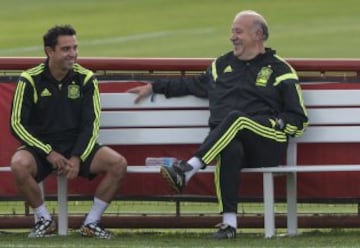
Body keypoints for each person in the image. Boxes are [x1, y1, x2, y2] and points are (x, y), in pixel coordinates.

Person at [128, 10, 308, 239]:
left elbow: (299, 119)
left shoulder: (280, 69)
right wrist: (155, 87)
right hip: (228, 142)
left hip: (267, 143)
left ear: (258, 35)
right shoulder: (221, 65)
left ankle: (187, 168)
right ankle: (229, 225)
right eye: (232, 31)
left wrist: (277, 124)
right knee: (229, 146)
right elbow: (191, 85)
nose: (232, 37)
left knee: (236, 118)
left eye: (238, 32)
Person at [9, 25, 127, 239]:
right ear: (49, 52)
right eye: (65, 49)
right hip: (42, 148)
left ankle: (91, 223)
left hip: (76, 146)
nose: (72, 54)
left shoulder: (86, 78)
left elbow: (91, 125)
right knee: (18, 164)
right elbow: (16, 124)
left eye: (75, 47)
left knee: (118, 164)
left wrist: (77, 157)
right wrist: (48, 152)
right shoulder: (29, 79)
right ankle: (45, 220)